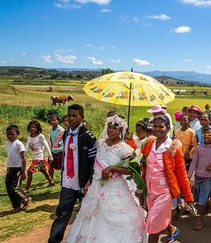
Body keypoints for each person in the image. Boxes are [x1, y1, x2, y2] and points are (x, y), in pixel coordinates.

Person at [66, 115, 145, 242]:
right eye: (109, 127)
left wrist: (112, 169)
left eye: (115, 128)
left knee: (116, 218)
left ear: (120, 130)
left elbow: (131, 170)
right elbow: (94, 165)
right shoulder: (100, 143)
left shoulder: (125, 148)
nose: (111, 130)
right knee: (91, 215)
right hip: (96, 186)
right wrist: (89, 182)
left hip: (115, 188)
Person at [140, 114, 194, 243]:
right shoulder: (149, 143)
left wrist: (188, 197)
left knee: (153, 223)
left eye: (161, 126)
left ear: (168, 128)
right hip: (150, 191)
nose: (157, 129)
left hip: (164, 192)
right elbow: (143, 164)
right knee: (157, 219)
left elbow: (182, 174)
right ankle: (171, 229)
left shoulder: (173, 148)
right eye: (155, 126)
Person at [49, 104, 97, 243]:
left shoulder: (88, 136)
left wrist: (90, 181)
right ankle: (54, 240)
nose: (71, 118)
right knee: (62, 213)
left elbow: (93, 161)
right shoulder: (66, 133)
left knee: (87, 215)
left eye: (75, 116)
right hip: (68, 182)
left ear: (82, 117)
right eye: (69, 115)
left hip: (84, 183)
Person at [188, 127, 211, 231]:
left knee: (202, 200)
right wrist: (188, 176)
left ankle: (199, 221)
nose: (206, 137)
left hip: (209, 178)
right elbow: (194, 162)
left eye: (209, 135)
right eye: (205, 135)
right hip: (198, 177)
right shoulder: (198, 148)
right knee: (197, 198)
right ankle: (208, 204)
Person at [5, 125, 31, 213]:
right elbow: (10, 157)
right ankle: (16, 206)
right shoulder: (8, 144)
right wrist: (8, 168)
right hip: (10, 169)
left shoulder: (19, 144)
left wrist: (24, 171)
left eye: (12, 134)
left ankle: (26, 199)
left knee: (14, 188)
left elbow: (24, 158)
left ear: (17, 134)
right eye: (8, 134)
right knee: (9, 189)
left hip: (18, 169)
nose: (10, 136)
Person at [24, 120, 54, 194]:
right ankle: (51, 181)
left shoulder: (40, 136)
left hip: (40, 157)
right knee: (43, 170)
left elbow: (46, 146)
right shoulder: (29, 137)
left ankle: (27, 189)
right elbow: (27, 147)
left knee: (29, 172)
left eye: (34, 127)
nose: (32, 129)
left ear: (38, 128)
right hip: (34, 157)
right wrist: (23, 154)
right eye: (31, 127)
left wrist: (50, 156)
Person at [49, 114, 65, 182]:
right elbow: (50, 139)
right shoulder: (51, 129)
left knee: (62, 166)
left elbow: (63, 139)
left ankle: (63, 180)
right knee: (50, 166)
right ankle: (51, 180)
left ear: (58, 121)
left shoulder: (61, 129)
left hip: (60, 150)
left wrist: (59, 143)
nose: (53, 122)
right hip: (52, 150)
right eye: (51, 120)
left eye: (55, 120)